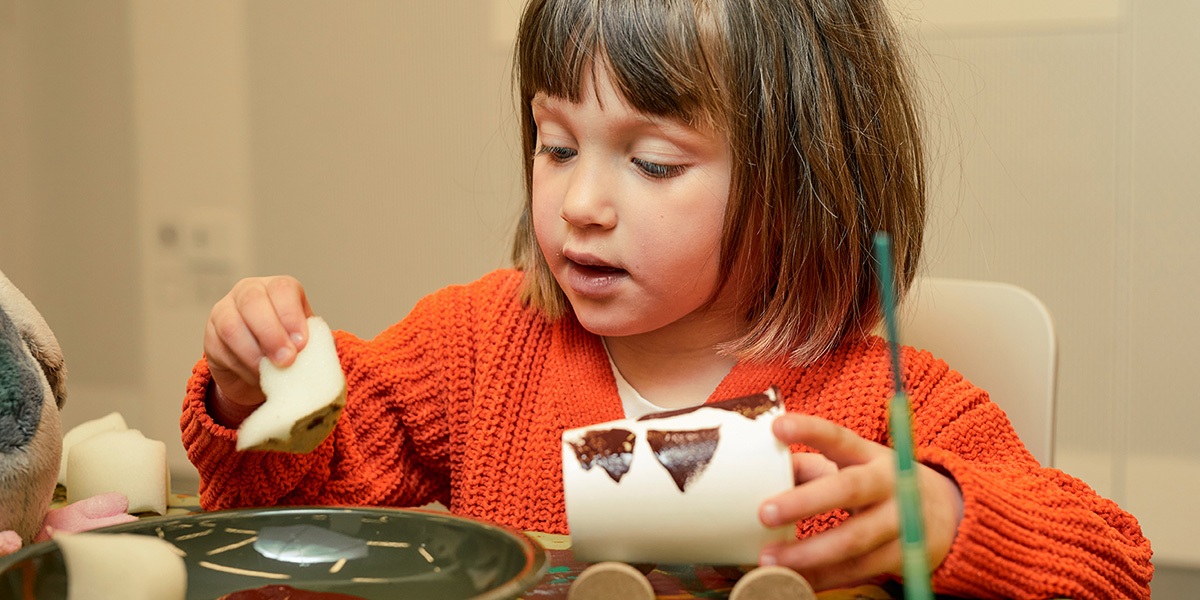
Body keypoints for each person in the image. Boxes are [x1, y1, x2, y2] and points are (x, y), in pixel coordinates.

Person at [180, 0, 1153, 598]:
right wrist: (254, 394)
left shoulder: (875, 403)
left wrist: (944, 517)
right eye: (555, 145)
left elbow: (1114, 563)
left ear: (799, 177)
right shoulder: (475, 348)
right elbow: (297, 512)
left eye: (651, 161)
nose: (582, 203)